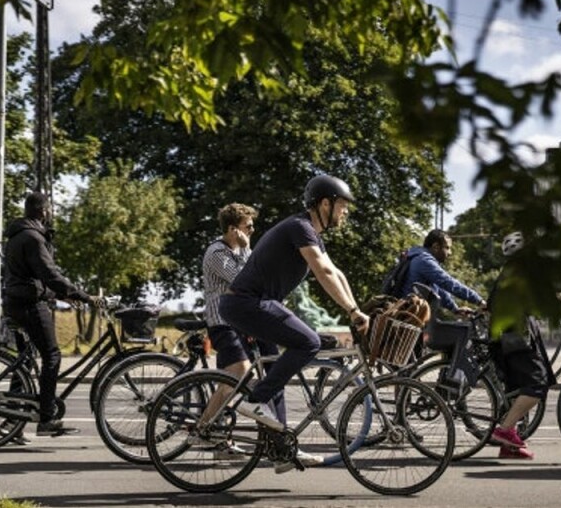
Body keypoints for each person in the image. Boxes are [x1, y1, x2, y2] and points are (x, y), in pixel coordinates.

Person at [219, 174, 369, 473]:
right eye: (342, 205)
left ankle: (281, 449)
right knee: (309, 342)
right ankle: (255, 399)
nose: (346, 212)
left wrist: (357, 311)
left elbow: (336, 273)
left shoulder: (310, 233)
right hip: (248, 304)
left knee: (276, 372)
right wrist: (352, 311)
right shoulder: (300, 228)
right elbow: (323, 273)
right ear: (324, 203)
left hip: (253, 304)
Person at [2, 192, 102, 437]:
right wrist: (83, 296)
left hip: (16, 302)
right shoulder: (33, 238)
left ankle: (12, 422)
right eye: (48, 211)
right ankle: (46, 418)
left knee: (25, 361)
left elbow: (31, 278)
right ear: (43, 211)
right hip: (28, 305)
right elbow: (49, 274)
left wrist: (58, 295)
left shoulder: (17, 235)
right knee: (53, 355)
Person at [197, 203, 280, 457]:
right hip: (222, 322)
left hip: (238, 323)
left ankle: (218, 438)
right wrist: (246, 250)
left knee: (236, 379)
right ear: (234, 229)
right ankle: (202, 430)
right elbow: (245, 279)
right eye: (248, 226)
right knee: (237, 374)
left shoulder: (237, 250)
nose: (253, 229)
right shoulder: (217, 253)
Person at [486, 231, 549, 460]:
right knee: (537, 384)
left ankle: (509, 445)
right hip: (514, 339)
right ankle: (503, 431)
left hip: (504, 339)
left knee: (516, 391)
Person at [396, 229, 486, 312]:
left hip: (410, 312)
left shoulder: (419, 257)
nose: (450, 253)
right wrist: (478, 300)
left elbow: (438, 288)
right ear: (435, 246)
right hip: (408, 315)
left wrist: (455, 309)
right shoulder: (424, 260)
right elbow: (448, 282)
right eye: (447, 248)